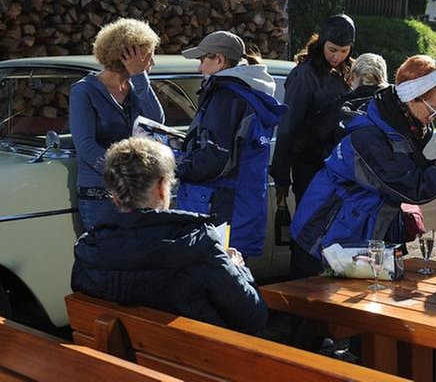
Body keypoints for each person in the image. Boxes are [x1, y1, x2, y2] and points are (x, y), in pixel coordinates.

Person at [290, 55, 436, 278]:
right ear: (412, 98)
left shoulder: (401, 124)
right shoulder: (369, 136)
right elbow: (410, 186)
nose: (435, 118)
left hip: (354, 234)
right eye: (433, 110)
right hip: (325, 237)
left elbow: (414, 171)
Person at [71, 137, 268, 336]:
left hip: (116, 362)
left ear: (115, 195)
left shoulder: (89, 248)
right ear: (162, 187)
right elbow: (254, 317)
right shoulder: (198, 245)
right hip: (192, 362)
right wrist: (236, 268)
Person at [175, 30, 287, 258]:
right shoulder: (250, 94)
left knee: (212, 284)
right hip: (243, 208)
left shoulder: (226, 98)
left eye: (202, 59)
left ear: (219, 60)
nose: (199, 68)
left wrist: (175, 165)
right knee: (234, 280)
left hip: (220, 209)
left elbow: (214, 161)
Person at [69, 18, 164, 230]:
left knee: (141, 258)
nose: (152, 62)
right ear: (127, 55)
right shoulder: (84, 90)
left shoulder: (136, 87)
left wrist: (140, 77)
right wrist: (126, 176)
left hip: (138, 191)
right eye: (147, 55)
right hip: (100, 195)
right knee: (106, 258)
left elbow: (156, 122)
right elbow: (86, 147)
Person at [271, 14, 355, 207]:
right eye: (332, 50)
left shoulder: (345, 73)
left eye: (344, 51)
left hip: (339, 169)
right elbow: (287, 127)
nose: (337, 56)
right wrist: (281, 176)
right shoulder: (304, 75)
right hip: (309, 169)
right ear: (322, 43)